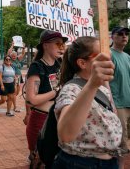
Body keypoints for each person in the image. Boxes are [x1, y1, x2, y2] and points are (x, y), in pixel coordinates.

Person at [53, 36, 123, 169]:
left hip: (109, 161)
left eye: (108, 54)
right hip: (81, 164)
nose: (108, 58)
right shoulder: (71, 89)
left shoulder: (102, 87)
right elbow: (65, 134)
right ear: (82, 63)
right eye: (100, 55)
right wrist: (92, 85)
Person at [25, 30, 67, 165]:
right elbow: (32, 99)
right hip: (41, 120)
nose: (61, 47)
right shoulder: (37, 66)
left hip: (59, 118)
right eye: (57, 44)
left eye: (63, 44)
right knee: (39, 161)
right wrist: (56, 91)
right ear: (45, 45)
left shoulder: (61, 64)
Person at [109, 26, 130, 168]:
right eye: (120, 34)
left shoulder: (127, 56)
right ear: (112, 36)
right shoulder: (108, 54)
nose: (124, 36)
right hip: (118, 104)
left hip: (128, 101)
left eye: (126, 34)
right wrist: (112, 104)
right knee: (122, 142)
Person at [7, 42, 26, 112]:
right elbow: (8, 52)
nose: (14, 56)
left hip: (19, 77)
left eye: (15, 55)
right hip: (13, 77)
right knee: (14, 92)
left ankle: (9, 99)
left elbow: (23, 54)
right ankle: (15, 107)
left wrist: (23, 48)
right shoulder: (9, 60)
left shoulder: (18, 59)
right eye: (13, 55)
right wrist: (12, 45)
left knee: (17, 92)